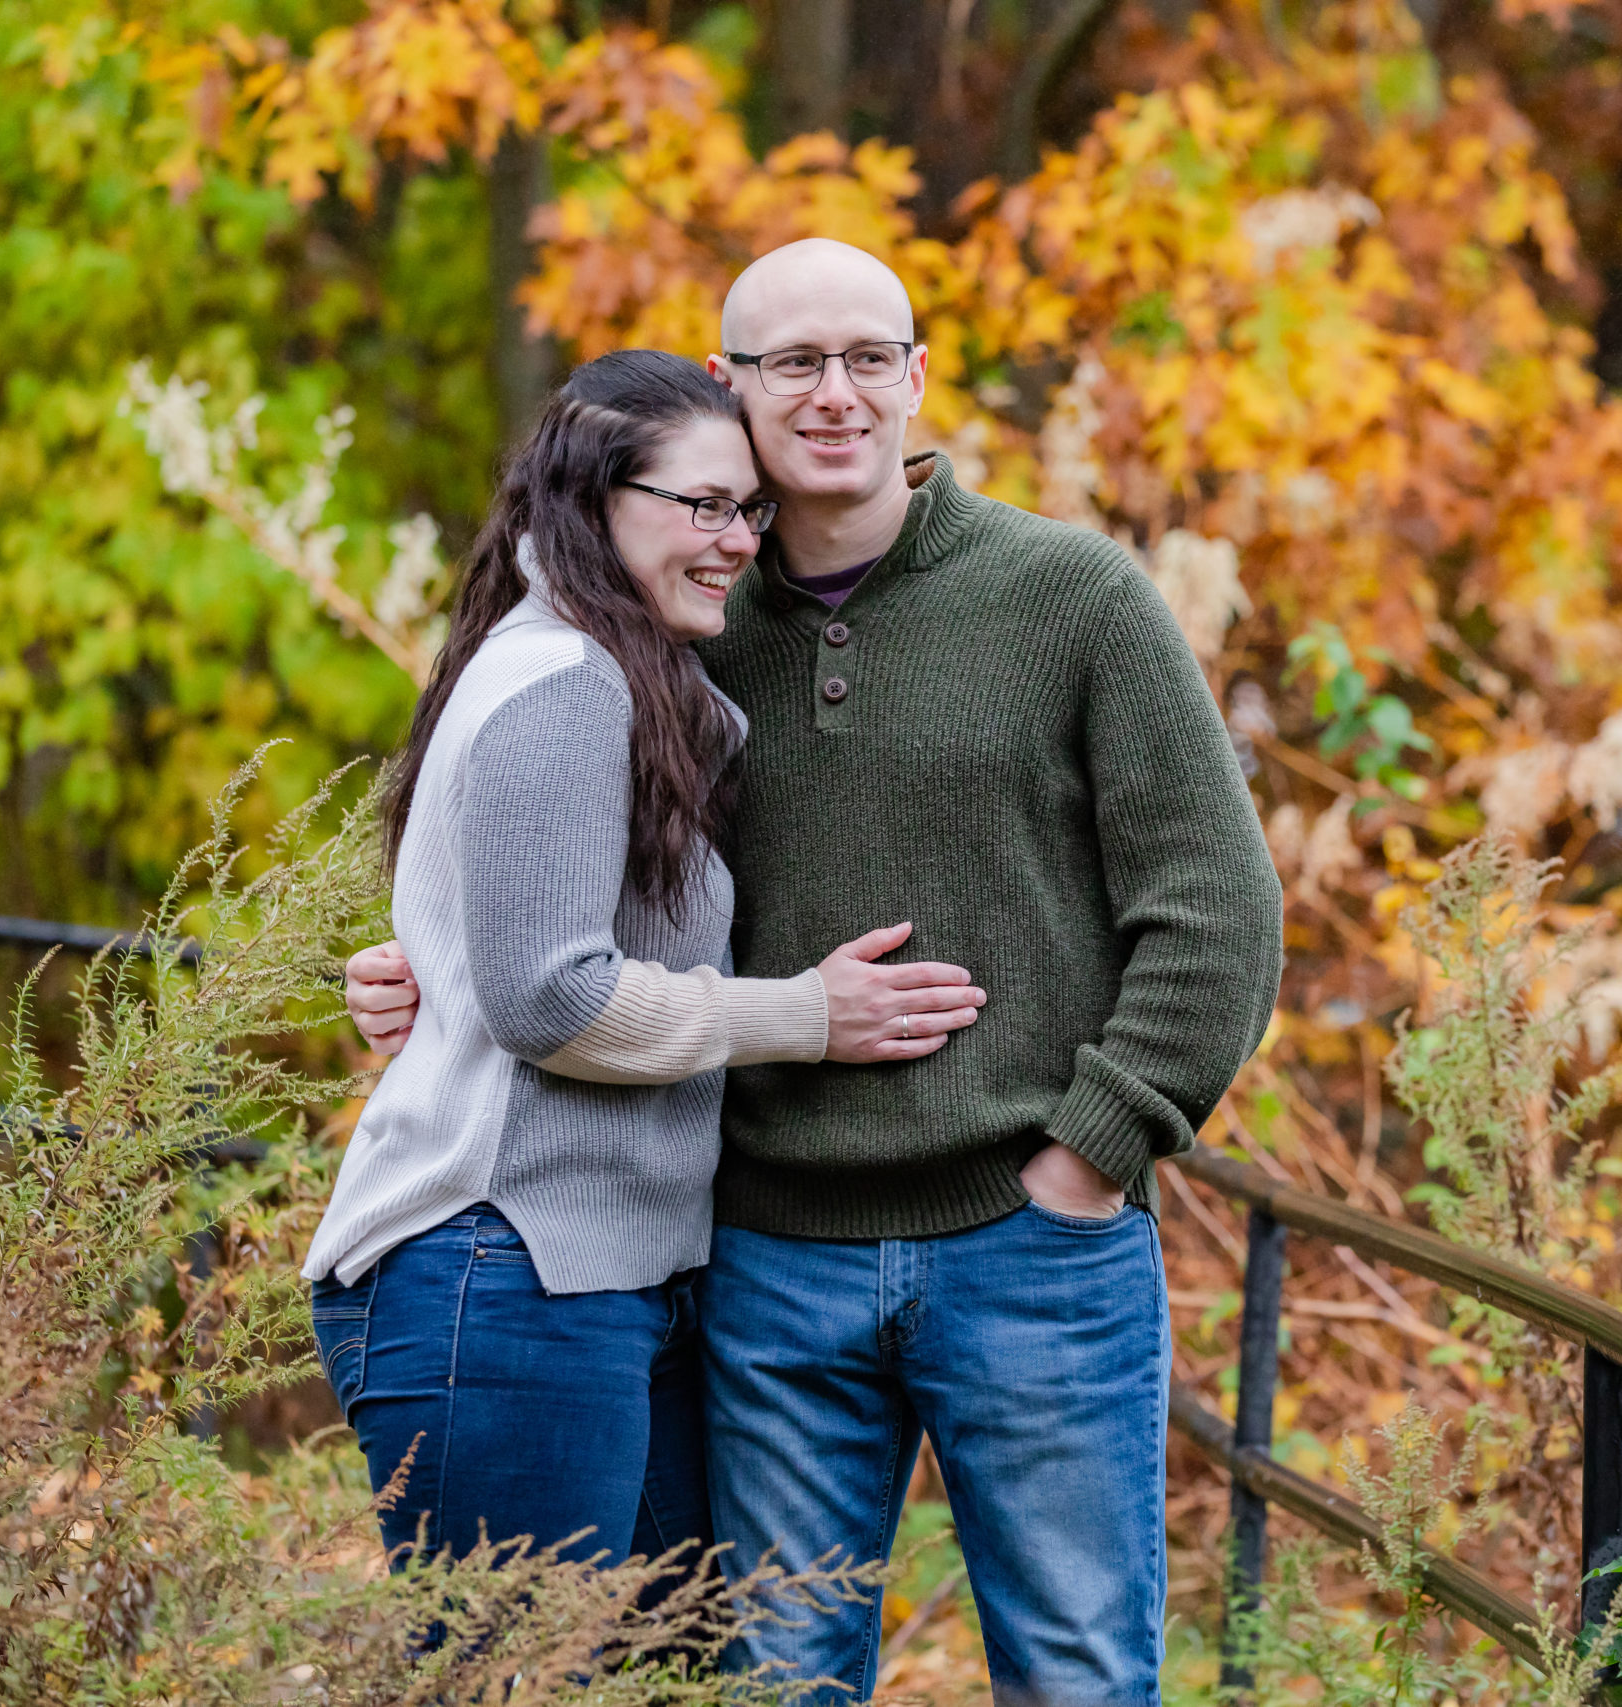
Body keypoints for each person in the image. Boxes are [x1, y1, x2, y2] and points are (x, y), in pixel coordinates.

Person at [347, 240, 1287, 1706]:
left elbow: (1215, 906)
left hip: (1031, 1246)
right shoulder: (677, 616)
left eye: (868, 356)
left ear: (918, 378)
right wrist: (432, 971)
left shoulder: (1074, 596)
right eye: (793, 361)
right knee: (773, 1684)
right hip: (766, 1259)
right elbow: (562, 874)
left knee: (1082, 1675)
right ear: (732, 387)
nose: (834, 390)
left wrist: (1092, 1154)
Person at [307, 349, 988, 1579]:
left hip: (606, 1282)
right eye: (704, 506)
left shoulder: (626, 677)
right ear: (590, 502)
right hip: (502, 1272)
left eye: (750, 509)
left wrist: (431, 979)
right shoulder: (563, 681)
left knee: (673, 1663)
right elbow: (547, 997)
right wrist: (809, 1017)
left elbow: (503, 940)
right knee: (514, 1677)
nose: (737, 540)